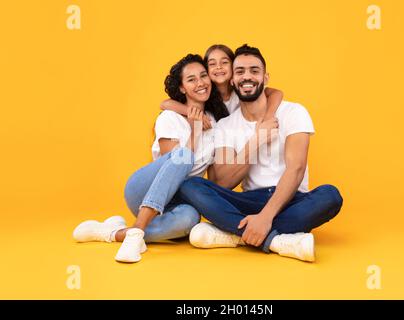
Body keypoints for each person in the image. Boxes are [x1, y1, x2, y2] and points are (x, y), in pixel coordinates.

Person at [176, 44, 344, 262]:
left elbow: (297, 168)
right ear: (233, 81)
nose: (247, 77)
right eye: (240, 72)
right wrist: (255, 142)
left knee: (330, 195)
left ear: (265, 77)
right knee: (191, 185)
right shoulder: (226, 125)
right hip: (249, 200)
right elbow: (221, 182)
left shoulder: (294, 112)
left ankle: (235, 234)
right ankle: (275, 240)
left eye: (254, 71)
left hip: (291, 198)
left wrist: (265, 217)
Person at [72, 54, 229, 263]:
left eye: (203, 76)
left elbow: (212, 178)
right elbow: (173, 168)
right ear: (182, 88)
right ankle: (137, 231)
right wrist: (194, 131)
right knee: (183, 155)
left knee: (191, 219)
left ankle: (114, 232)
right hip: (143, 189)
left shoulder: (215, 125)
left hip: (176, 203)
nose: (200, 83)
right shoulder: (169, 118)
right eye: (191, 79)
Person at [160, 44, 283, 129]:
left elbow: (277, 93)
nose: (218, 67)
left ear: (234, 66)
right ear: (206, 69)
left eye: (224, 62)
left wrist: (268, 117)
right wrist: (198, 115)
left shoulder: (242, 88)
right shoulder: (204, 93)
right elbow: (165, 104)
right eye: (212, 64)